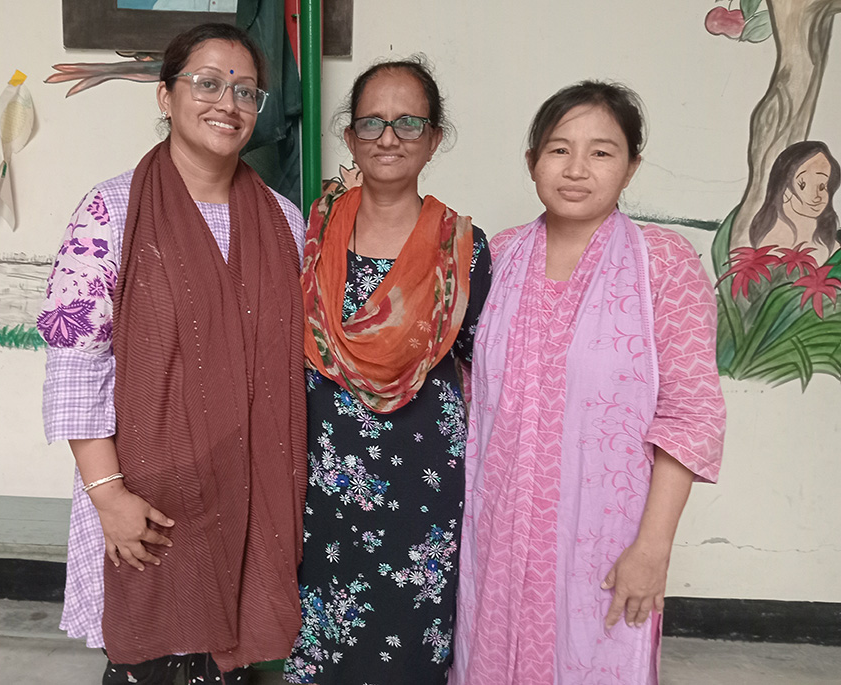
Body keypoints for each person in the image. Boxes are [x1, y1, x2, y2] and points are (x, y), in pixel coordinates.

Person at [38, 23, 308, 685]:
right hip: (148, 500)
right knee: (156, 661)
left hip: (251, 495)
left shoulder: (283, 219)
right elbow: (77, 363)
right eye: (208, 82)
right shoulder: (111, 210)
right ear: (165, 96)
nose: (229, 102)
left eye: (247, 91)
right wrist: (110, 497)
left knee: (236, 663)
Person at [451, 81, 726, 685]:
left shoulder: (664, 263)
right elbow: (468, 394)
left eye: (602, 152)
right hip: (498, 536)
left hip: (606, 546)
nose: (577, 169)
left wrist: (652, 551)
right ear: (531, 162)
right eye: (558, 149)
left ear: (631, 167)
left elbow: (691, 414)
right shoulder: (496, 258)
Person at [283, 57, 492, 685]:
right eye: (372, 123)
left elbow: (485, 364)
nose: (389, 137)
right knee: (322, 638)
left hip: (423, 485)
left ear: (433, 137)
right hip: (319, 478)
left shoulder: (463, 247)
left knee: (408, 647)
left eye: (408, 122)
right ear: (349, 136)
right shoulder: (309, 234)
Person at [749, 140, 840, 265]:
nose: (817, 197)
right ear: (783, 187)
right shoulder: (769, 241)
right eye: (803, 185)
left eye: (822, 186)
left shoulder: (830, 244)